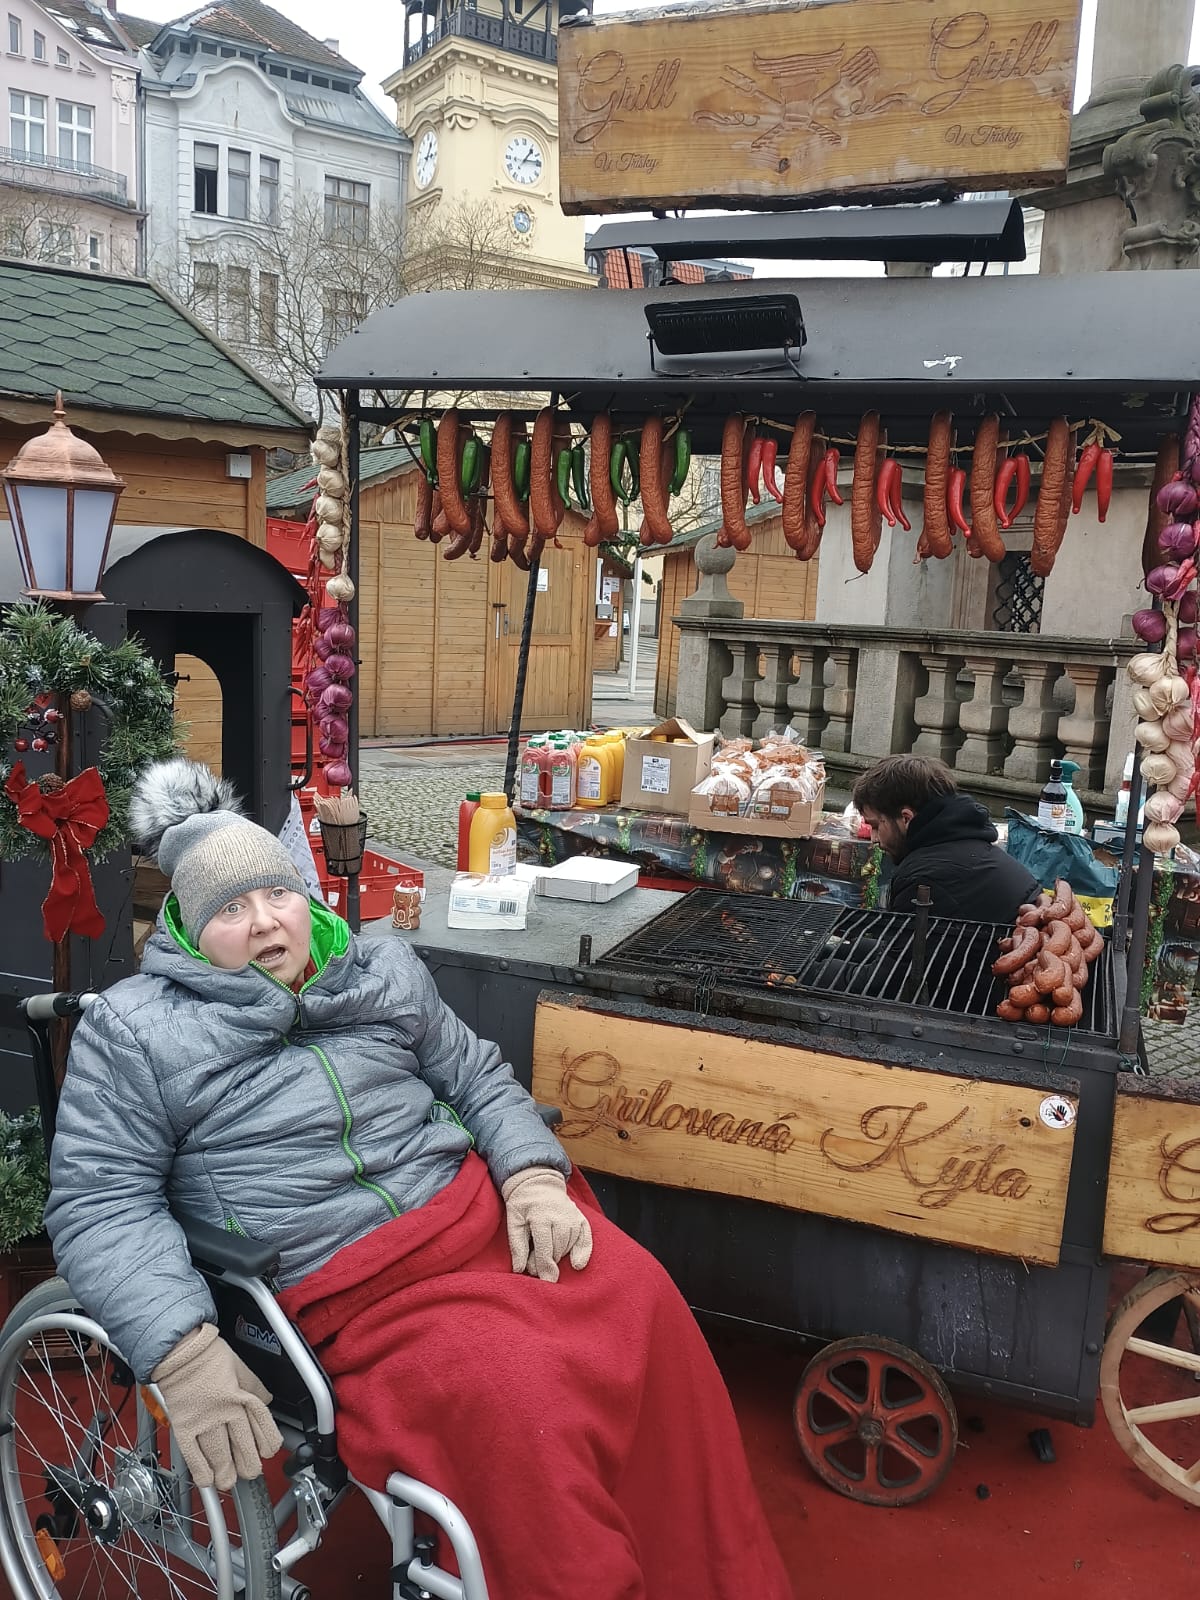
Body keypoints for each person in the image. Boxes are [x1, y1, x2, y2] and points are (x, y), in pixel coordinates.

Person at [45, 758, 791, 1600]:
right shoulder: (137, 1032)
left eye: (277, 893)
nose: (263, 923)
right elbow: (101, 1203)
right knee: (520, 1401)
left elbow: (476, 1076)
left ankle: (713, 1575)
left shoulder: (378, 970)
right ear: (186, 929)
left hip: (473, 1218)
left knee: (644, 1297)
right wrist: (182, 1353)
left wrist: (533, 1176)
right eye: (230, 909)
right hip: (346, 1288)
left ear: (304, 895)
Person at [852, 754, 1039, 924]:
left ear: (906, 818)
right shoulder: (969, 844)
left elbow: (904, 950)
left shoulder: (923, 877)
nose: (874, 839)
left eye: (876, 826)